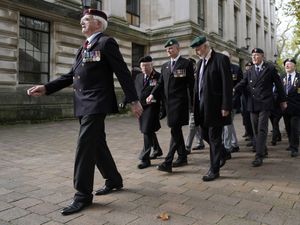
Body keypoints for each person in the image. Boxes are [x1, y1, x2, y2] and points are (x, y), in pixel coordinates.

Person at [27, 9, 143, 215]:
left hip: (97, 103)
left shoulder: (107, 43)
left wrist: (134, 100)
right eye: (81, 20)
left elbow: (123, 72)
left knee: (85, 145)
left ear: (98, 24)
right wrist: (46, 88)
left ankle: (82, 195)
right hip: (82, 103)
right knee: (96, 144)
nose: (82, 23)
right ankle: (114, 179)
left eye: (86, 20)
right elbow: (70, 75)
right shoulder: (82, 48)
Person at [146, 38, 194, 173]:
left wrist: (193, 104)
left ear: (178, 49)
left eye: (171, 48)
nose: (168, 50)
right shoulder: (165, 65)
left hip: (180, 103)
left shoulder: (186, 64)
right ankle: (183, 157)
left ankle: (168, 161)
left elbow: (191, 85)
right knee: (176, 130)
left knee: (174, 129)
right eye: (167, 49)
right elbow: (160, 83)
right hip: (168, 104)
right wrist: (152, 95)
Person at [234, 48, 287, 167]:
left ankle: (259, 156)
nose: (254, 57)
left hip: (265, 103)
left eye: (256, 55)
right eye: (252, 55)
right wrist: (233, 89)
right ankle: (263, 149)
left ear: (262, 56)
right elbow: (243, 83)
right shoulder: (250, 70)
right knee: (255, 129)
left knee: (262, 128)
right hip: (253, 104)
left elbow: (279, 85)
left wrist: (283, 100)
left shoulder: (270, 68)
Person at [191, 36, 232, 181]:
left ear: (205, 46)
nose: (196, 51)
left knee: (214, 137)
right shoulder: (199, 62)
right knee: (204, 134)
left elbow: (227, 84)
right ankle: (224, 152)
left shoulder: (221, 59)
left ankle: (214, 170)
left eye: (197, 48)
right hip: (201, 107)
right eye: (195, 49)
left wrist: (226, 106)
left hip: (216, 107)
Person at [134, 56, 163, 168]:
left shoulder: (158, 76)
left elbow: (160, 90)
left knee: (146, 130)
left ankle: (145, 159)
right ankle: (157, 150)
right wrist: (125, 101)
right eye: (142, 66)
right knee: (149, 130)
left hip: (152, 107)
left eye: (147, 65)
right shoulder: (138, 77)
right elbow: (134, 90)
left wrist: (154, 97)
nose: (144, 68)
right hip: (141, 108)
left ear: (152, 65)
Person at [221, 51, 242, 155]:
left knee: (226, 124)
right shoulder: (219, 68)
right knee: (228, 123)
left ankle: (227, 146)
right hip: (222, 101)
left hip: (232, 101)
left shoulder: (236, 69)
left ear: (230, 57)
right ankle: (234, 144)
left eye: (227, 57)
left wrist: (234, 97)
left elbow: (241, 84)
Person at [185, 58, 205, 153]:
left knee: (192, 125)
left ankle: (187, 146)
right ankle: (200, 142)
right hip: (189, 104)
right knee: (196, 125)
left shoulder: (199, 74)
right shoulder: (186, 75)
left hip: (197, 103)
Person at [281, 58, 300, 157]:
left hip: (296, 107)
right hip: (285, 107)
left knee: (294, 127)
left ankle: (295, 148)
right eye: (285, 64)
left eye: (289, 64)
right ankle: (291, 143)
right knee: (288, 127)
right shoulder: (282, 77)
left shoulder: (299, 77)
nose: (287, 66)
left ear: (294, 66)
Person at [241, 61, 255, 148]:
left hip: (253, 100)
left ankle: (255, 142)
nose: (248, 67)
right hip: (244, 100)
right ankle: (250, 136)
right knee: (246, 120)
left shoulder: (255, 73)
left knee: (253, 121)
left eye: (250, 66)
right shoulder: (244, 74)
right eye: (247, 66)